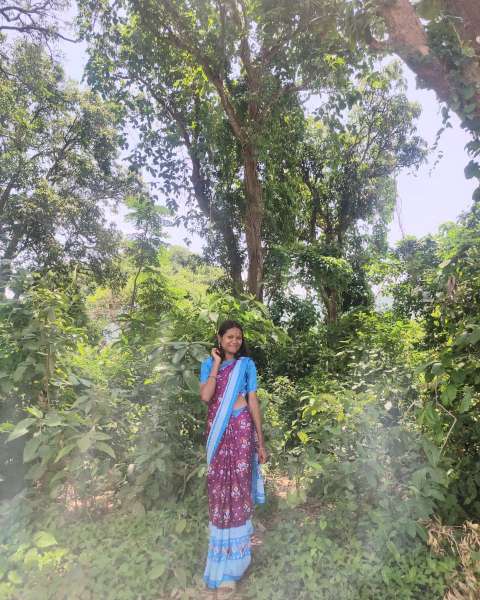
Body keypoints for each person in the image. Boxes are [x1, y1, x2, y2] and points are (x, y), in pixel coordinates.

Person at [199, 320, 267, 596]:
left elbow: (252, 401)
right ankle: (219, 562)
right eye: (230, 337)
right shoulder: (208, 364)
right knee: (219, 490)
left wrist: (260, 441)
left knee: (238, 489)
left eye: (238, 337)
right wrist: (216, 364)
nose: (235, 341)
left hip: (241, 428)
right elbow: (206, 397)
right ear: (220, 338)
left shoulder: (246, 365)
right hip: (217, 433)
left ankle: (234, 569)